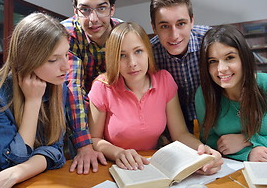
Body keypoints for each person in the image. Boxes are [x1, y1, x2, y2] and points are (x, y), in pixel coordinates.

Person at [88, 22, 222, 174]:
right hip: (115, 167)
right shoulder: (102, 87)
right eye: (122, 55)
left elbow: (180, 133)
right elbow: (94, 139)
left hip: (154, 166)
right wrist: (118, 153)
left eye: (138, 51)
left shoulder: (164, 80)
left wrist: (201, 152)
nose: (132, 63)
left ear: (148, 53)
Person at [0, 13, 69, 187]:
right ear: (27, 59)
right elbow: (14, 161)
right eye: (53, 59)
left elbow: (56, 150)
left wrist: (16, 173)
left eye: (66, 54)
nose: (66, 66)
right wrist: (33, 102)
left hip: (34, 179)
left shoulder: (58, 86)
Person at [195, 26, 267, 162]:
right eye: (213, 61)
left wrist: (248, 140)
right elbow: (209, 140)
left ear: (244, 58)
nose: (221, 69)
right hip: (232, 171)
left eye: (230, 57)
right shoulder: (203, 94)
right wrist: (248, 154)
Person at [61, 0, 123, 174]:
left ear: (112, 9)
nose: (93, 19)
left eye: (101, 8)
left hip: (114, 114)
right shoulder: (65, 34)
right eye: (85, 9)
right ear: (75, 10)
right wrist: (84, 145)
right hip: (71, 115)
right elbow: (73, 88)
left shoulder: (123, 34)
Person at [150, 0, 210, 133]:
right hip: (172, 125)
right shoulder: (148, 55)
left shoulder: (211, 41)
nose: (174, 35)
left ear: (192, 21)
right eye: (165, 26)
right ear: (154, 28)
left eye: (181, 23)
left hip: (214, 116)